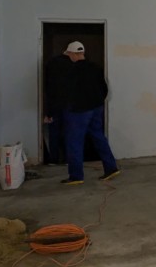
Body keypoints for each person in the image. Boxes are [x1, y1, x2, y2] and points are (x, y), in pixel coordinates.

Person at [60, 41, 120, 185]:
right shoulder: (96, 67)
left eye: (69, 54)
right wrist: (98, 102)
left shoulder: (71, 71)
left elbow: (66, 92)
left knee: (74, 141)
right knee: (98, 137)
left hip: (79, 111)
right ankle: (111, 168)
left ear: (73, 54)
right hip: (96, 108)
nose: (69, 57)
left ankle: (76, 176)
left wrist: (66, 107)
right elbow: (104, 88)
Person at [44, 52, 74, 165]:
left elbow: (49, 89)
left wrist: (48, 112)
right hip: (70, 105)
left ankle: (54, 159)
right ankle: (68, 158)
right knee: (68, 132)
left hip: (54, 104)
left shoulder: (52, 65)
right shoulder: (72, 65)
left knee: (54, 132)